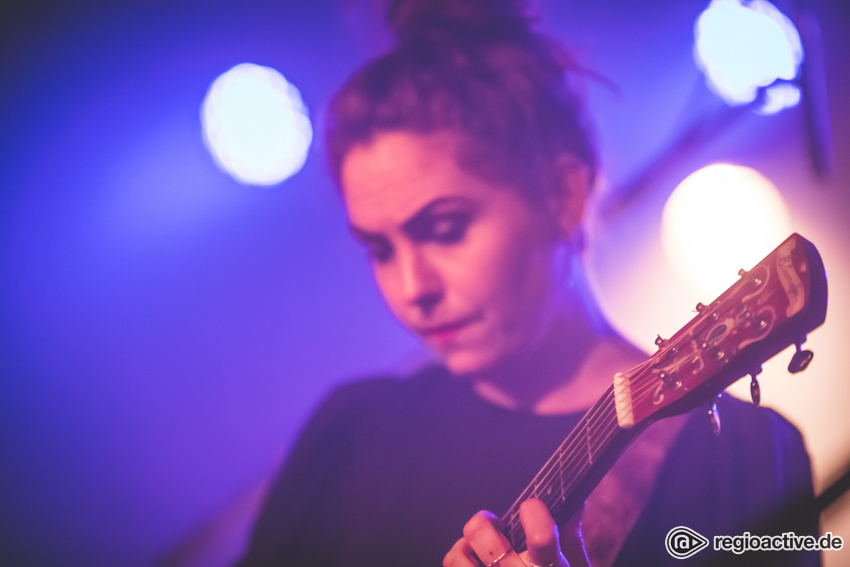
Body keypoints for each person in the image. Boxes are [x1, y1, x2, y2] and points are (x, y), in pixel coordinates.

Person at [237, 1, 819, 565]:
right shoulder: (350, 432)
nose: (412, 288)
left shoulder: (745, 455)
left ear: (562, 197)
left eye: (444, 228)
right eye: (380, 250)